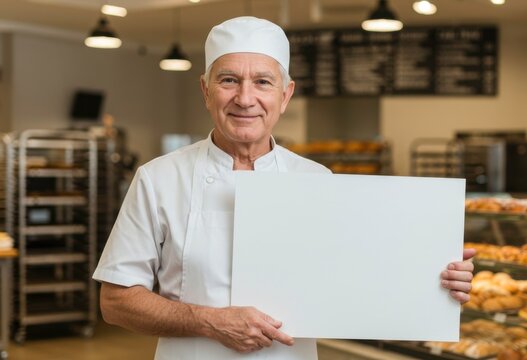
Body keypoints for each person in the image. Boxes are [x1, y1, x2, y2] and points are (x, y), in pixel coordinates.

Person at [93, 16, 475, 360]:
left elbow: (360, 276)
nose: (245, 98)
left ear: (285, 95)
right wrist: (210, 322)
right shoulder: (158, 179)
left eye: (263, 82)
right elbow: (115, 301)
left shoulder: (317, 181)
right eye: (229, 80)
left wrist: (435, 280)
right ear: (206, 90)